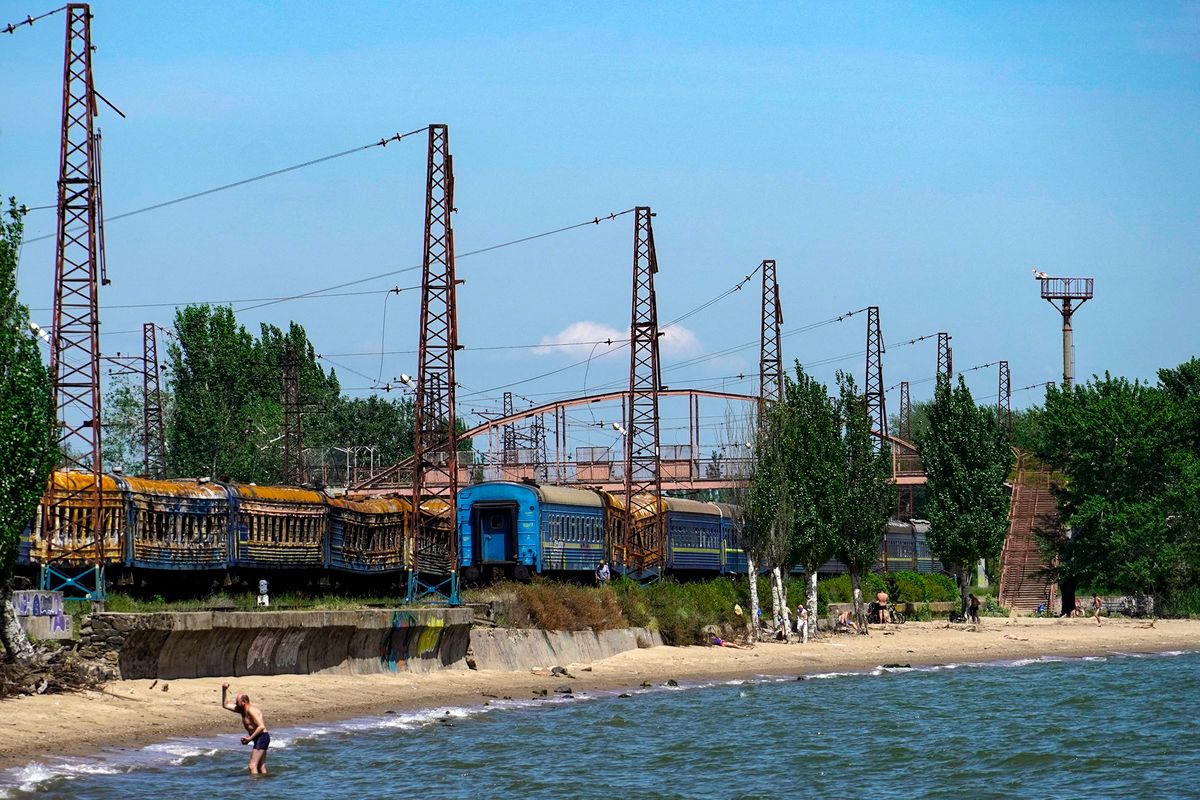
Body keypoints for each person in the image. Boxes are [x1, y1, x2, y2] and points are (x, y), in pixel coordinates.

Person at [222, 683, 270, 774]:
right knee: (260, 765)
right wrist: (224, 690)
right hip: (259, 738)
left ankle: (254, 786)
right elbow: (225, 705)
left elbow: (261, 726)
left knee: (252, 766)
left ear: (244, 702)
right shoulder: (242, 710)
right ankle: (264, 784)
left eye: (237, 702)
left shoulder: (251, 710)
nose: (236, 703)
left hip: (262, 737)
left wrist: (249, 739)